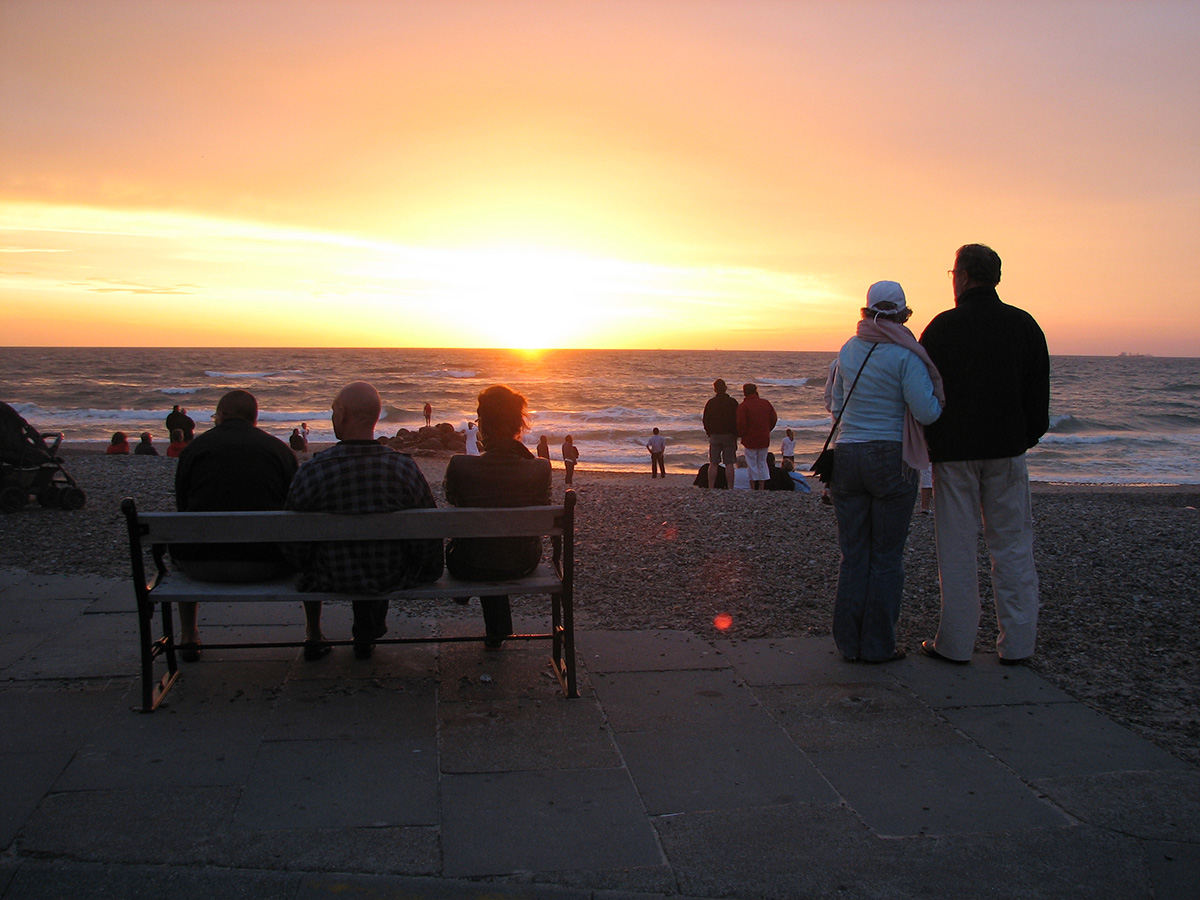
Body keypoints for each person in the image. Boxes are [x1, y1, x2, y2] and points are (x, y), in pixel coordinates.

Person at [919, 244, 1050, 666]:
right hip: (1006, 452)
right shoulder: (1024, 325)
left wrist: (933, 441)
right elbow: (1038, 402)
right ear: (994, 277)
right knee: (1012, 546)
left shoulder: (942, 327)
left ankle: (955, 644)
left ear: (962, 276)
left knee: (956, 548)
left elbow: (924, 394)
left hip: (954, 455)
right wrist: (1021, 439)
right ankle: (1017, 644)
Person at [283, 382, 443, 659]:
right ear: (376, 416)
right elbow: (427, 529)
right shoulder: (403, 467)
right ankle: (367, 632)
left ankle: (319, 632)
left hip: (331, 575)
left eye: (333, 411)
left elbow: (292, 540)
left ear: (342, 413)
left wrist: (307, 563)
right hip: (391, 573)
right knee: (378, 553)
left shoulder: (313, 471)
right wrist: (424, 568)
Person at [829, 281, 943, 664]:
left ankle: (848, 644)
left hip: (847, 456)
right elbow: (926, 412)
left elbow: (836, 404)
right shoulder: (906, 356)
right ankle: (878, 646)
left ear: (866, 311)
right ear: (902, 315)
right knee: (887, 558)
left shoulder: (848, 349)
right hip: (892, 459)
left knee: (853, 555)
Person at [173, 390, 299, 661]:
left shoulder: (193, 450)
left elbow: (182, 508)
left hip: (199, 564)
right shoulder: (279, 450)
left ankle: (189, 634)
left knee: (185, 531)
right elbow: (295, 510)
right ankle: (313, 633)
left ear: (221, 415)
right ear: (255, 418)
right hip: (269, 563)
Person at [444, 385, 553, 648]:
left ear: (483, 425)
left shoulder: (460, 466)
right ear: (519, 424)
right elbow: (543, 504)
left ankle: (495, 626)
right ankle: (498, 630)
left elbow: (452, 499)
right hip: (522, 560)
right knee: (500, 544)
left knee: (484, 546)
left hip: (467, 563)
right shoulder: (539, 468)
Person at [736, 383, 777, 490]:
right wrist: (767, 429)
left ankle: (753, 486)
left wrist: (741, 434)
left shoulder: (743, 406)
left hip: (750, 439)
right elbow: (773, 418)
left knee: (752, 463)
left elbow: (741, 423)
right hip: (763, 437)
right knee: (762, 462)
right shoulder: (765, 403)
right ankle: (762, 486)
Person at [703, 379, 739, 489]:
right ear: (726, 388)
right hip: (729, 434)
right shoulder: (733, 402)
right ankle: (730, 487)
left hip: (715, 434)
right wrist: (736, 434)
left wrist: (709, 432)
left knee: (713, 462)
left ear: (715, 389)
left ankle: (711, 486)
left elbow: (705, 419)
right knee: (729, 463)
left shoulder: (711, 403)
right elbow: (737, 419)